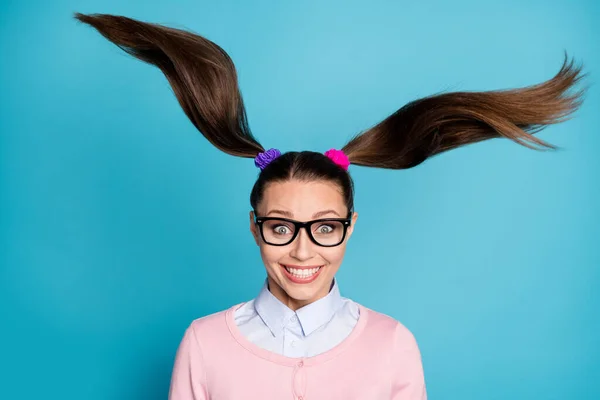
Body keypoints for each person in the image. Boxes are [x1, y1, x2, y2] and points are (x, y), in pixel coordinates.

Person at [74, 12, 585, 400]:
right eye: (280, 227)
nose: (302, 252)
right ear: (254, 228)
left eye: (323, 227)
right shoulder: (204, 343)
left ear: (350, 226)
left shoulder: (391, 343)